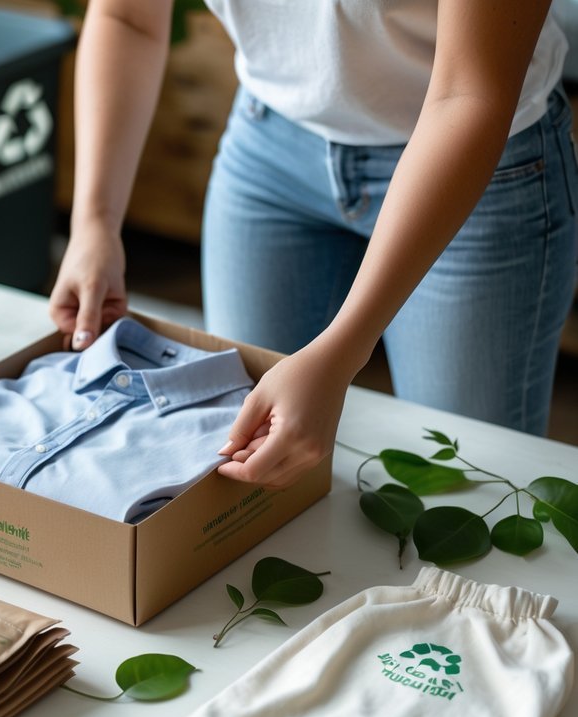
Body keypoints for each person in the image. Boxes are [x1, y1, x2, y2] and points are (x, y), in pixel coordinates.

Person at [50, 0, 578, 489]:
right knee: (245, 461)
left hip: (477, 162)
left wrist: (339, 354)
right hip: (272, 145)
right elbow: (128, 17)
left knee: (463, 482)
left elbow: (470, 91)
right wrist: (94, 222)